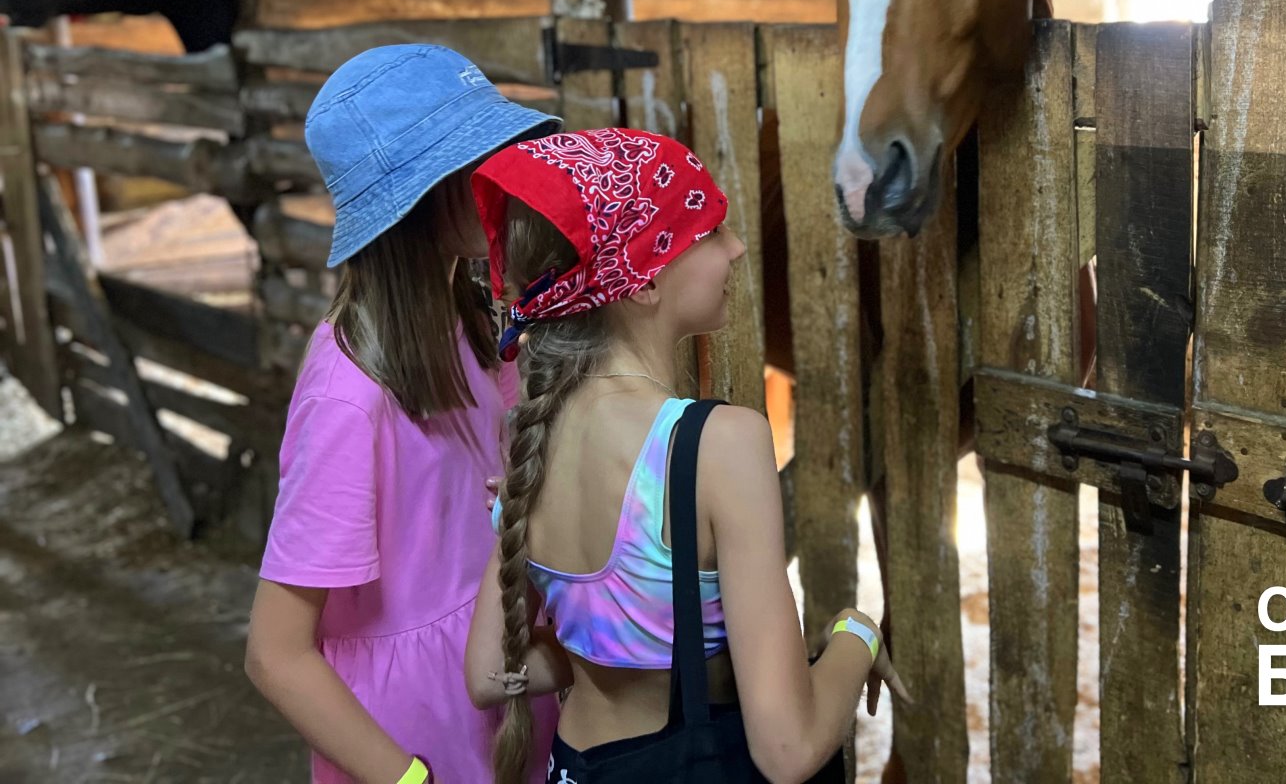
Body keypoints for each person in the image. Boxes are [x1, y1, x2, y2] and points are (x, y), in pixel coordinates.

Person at [464, 127, 909, 784]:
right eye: (709, 233)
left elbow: (487, 675)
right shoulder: (718, 443)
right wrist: (857, 633)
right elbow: (787, 753)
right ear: (643, 282)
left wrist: (606, 655)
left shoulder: (534, 433)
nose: (736, 250)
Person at [244, 44, 562, 784]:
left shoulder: (477, 328)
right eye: (476, 159)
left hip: (502, 697)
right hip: (416, 738)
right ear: (421, 195)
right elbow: (275, 653)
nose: (500, 174)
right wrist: (409, 779)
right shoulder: (349, 395)